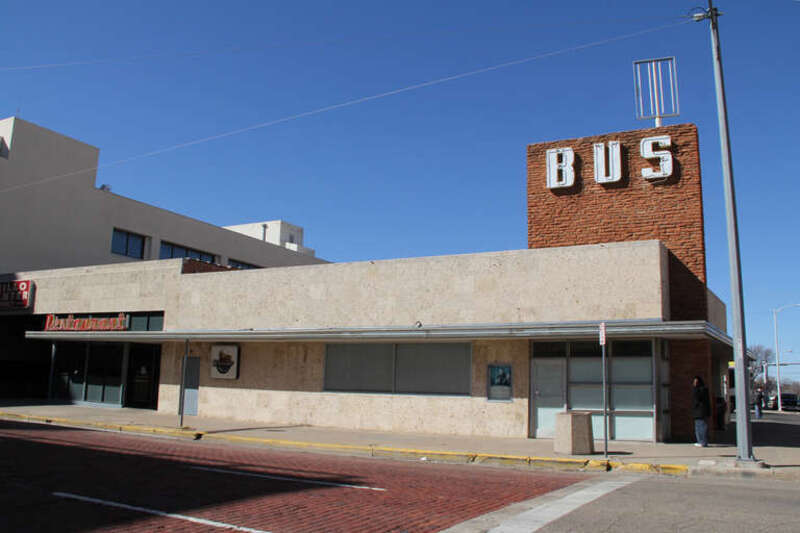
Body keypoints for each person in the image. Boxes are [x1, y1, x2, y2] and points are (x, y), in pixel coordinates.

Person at [692, 376, 711, 447]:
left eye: (696, 382)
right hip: (699, 411)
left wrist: (695, 388)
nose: (694, 383)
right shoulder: (701, 389)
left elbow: (697, 398)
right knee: (698, 426)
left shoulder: (701, 390)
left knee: (701, 427)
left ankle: (703, 442)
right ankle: (700, 441)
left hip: (701, 411)